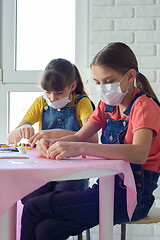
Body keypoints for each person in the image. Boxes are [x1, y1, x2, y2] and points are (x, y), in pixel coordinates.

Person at [20, 42, 160, 240]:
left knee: (34, 207)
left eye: (108, 81)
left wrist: (81, 148)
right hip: (105, 189)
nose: (103, 88)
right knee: (46, 229)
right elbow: (79, 136)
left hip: (132, 199)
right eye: (97, 82)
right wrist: (50, 145)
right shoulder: (107, 105)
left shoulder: (144, 107)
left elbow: (139, 153)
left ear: (130, 76)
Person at [8, 58, 97, 204]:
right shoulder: (40, 102)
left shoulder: (82, 102)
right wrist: (23, 129)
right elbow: (11, 138)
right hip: (44, 168)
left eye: (59, 93)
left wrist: (56, 133)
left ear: (72, 86)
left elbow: (93, 139)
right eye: (48, 92)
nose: (52, 98)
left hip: (74, 169)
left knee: (64, 198)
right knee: (29, 196)